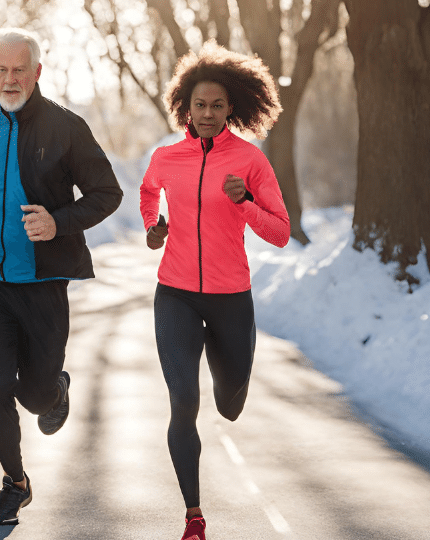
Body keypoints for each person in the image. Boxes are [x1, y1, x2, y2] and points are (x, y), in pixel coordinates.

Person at [0, 27, 122, 526]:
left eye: (21, 69)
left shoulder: (66, 127)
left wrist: (58, 221)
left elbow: (107, 193)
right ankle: (15, 484)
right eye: (2, 69)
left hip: (41, 283)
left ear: (38, 72)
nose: (11, 78)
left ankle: (53, 387)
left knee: (36, 395)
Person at [139, 41, 289, 540]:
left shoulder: (249, 161)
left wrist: (244, 200)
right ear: (186, 106)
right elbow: (148, 192)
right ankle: (194, 516)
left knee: (229, 404)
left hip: (230, 299)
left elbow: (280, 231)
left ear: (232, 109)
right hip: (176, 294)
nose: (207, 114)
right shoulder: (167, 157)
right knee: (184, 401)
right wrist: (153, 227)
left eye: (217, 106)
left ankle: (227, 374)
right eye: (199, 105)